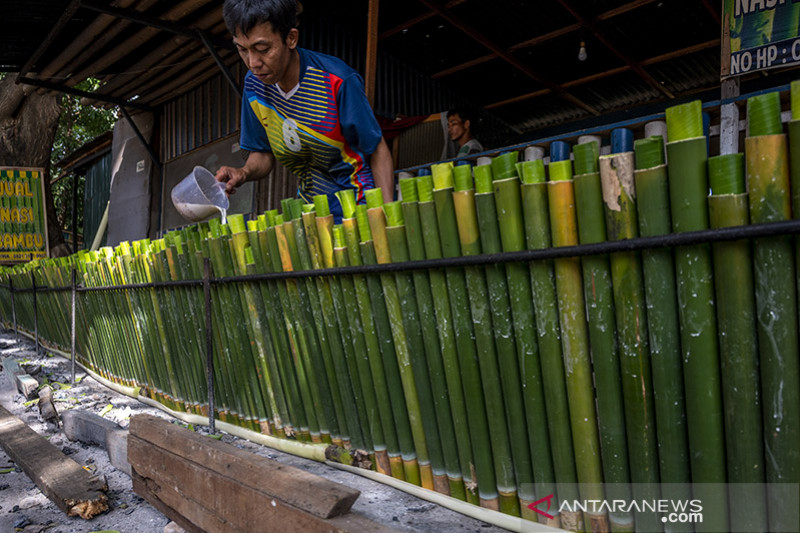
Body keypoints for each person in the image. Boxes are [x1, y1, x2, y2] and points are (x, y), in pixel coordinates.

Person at [215, 0, 394, 220]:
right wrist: (243, 172)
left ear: (291, 38)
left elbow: (376, 149)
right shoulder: (253, 87)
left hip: (360, 206)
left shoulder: (337, 80)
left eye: (263, 49)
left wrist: (388, 215)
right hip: (312, 211)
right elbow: (262, 153)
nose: (253, 62)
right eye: (242, 49)